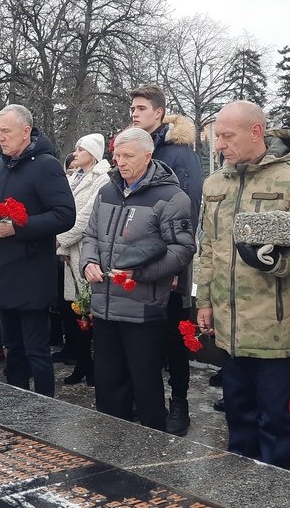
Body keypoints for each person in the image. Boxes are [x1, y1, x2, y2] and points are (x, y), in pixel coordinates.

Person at [195, 101, 290, 470]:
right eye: (216, 136)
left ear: (256, 132)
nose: (219, 144)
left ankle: (276, 491)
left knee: (276, 421)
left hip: (275, 326)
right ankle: (240, 485)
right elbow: (207, 247)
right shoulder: (215, 183)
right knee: (237, 415)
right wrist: (204, 301)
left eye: (227, 135)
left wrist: (282, 262)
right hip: (228, 326)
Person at [81, 127, 195, 430]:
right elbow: (90, 234)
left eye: (127, 155)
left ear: (148, 155)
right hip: (104, 304)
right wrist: (88, 262)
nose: (120, 161)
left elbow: (182, 250)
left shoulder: (172, 197)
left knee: (145, 385)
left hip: (143, 308)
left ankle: (148, 446)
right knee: (107, 383)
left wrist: (140, 274)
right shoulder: (106, 191)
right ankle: (110, 442)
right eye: (116, 154)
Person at [0, 105, 75, 397]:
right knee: (12, 349)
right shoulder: (2, 166)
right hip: (3, 269)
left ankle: (44, 409)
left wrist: (18, 228)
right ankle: (17, 408)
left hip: (30, 272)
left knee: (36, 351)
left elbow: (65, 214)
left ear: (26, 132)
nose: (0, 137)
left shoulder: (46, 165)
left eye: (6, 131)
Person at [129, 84, 203, 436]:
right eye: (133, 108)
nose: (134, 113)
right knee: (142, 333)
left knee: (173, 336)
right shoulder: (133, 149)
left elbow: (187, 211)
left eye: (141, 108)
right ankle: (144, 398)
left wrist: (173, 265)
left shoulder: (178, 152)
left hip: (170, 262)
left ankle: (179, 402)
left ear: (159, 113)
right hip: (136, 260)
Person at [56, 133, 112, 386]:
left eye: (81, 149)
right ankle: (82, 362)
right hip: (69, 251)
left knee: (88, 308)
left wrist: (59, 240)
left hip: (85, 250)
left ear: (93, 153)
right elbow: (63, 209)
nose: (76, 153)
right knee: (75, 309)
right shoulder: (73, 177)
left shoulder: (102, 179)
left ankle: (94, 366)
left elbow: (86, 216)